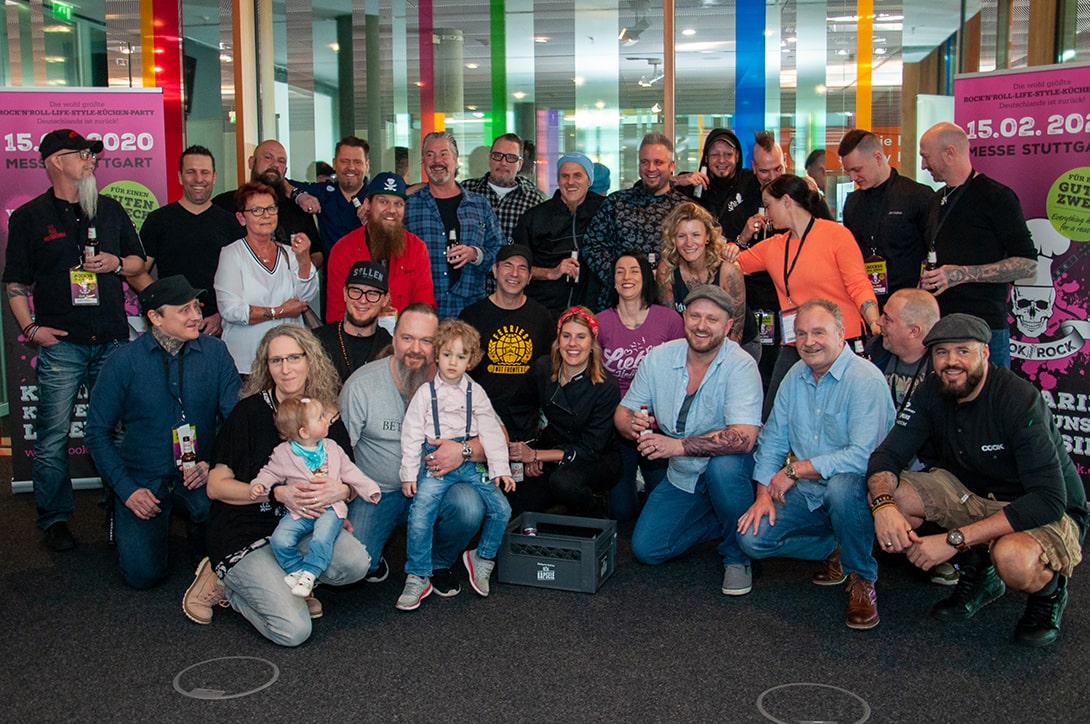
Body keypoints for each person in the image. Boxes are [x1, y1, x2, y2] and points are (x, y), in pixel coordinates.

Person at [866, 313, 1087, 647]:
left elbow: (1048, 499)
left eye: (963, 351)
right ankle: (980, 570)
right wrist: (883, 506)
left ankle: (1049, 593)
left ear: (984, 353)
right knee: (891, 496)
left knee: (1013, 559)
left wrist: (952, 540)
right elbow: (887, 456)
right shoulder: (932, 390)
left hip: (1040, 508)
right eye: (941, 352)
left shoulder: (1018, 398)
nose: (951, 362)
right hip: (974, 495)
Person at [3, 128, 146, 551]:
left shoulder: (111, 209)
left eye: (92, 154)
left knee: (118, 431)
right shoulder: (29, 217)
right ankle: (54, 519)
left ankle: (120, 507)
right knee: (51, 436)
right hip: (62, 343)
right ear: (55, 162)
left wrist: (116, 262)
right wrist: (31, 329)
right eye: (82, 154)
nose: (91, 160)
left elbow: (138, 261)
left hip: (113, 341)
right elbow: (14, 282)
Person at [182, 325, 370, 644]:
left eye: (294, 358)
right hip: (244, 532)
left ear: (310, 360)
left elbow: (349, 482)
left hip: (302, 529)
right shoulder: (248, 413)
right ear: (265, 367)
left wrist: (341, 492)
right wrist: (275, 493)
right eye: (276, 360)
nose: (286, 369)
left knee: (355, 563)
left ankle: (286, 581)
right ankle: (229, 583)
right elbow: (215, 487)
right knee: (294, 631)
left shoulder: (326, 416)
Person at [737, 299, 895, 629]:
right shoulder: (794, 376)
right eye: (802, 334)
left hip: (855, 491)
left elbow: (863, 457)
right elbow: (774, 440)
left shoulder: (865, 379)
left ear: (841, 333)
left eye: (819, 332)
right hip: (809, 492)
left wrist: (796, 469)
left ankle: (862, 577)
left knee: (841, 486)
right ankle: (839, 545)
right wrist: (762, 495)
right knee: (752, 539)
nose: (809, 342)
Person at [85, 276, 240, 589]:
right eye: (184, 310)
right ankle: (121, 511)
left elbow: (236, 421)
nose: (196, 316)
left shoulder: (216, 353)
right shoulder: (123, 362)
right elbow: (96, 433)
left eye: (196, 307)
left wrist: (215, 466)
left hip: (199, 473)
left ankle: (200, 533)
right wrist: (126, 489)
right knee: (143, 576)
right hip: (142, 479)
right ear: (155, 318)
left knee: (226, 557)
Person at [619, 285, 761, 595]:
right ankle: (728, 519)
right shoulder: (659, 357)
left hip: (729, 471)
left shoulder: (741, 365)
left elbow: (744, 437)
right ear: (684, 317)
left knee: (723, 468)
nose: (701, 325)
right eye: (695, 316)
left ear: (728, 325)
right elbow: (623, 411)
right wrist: (633, 425)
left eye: (712, 319)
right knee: (648, 549)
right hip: (683, 475)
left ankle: (737, 556)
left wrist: (675, 446)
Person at [340, 303, 488, 595]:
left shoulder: (457, 381)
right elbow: (338, 453)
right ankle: (375, 555)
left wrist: (463, 451)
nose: (416, 349)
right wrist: (338, 505)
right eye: (407, 338)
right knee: (349, 565)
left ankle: (438, 562)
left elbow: (497, 439)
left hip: (436, 488)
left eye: (426, 340)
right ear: (393, 338)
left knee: (470, 507)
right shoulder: (361, 386)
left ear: (439, 345)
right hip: (377, 493)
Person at [729, 174, 879, 418]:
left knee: (838, 414)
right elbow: (731, 264)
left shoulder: (836, 235)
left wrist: (874, 321)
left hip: (841, 340)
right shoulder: (774, 246)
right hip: (795, 341)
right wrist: (738, 242)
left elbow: (858, 284)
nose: (766, 214)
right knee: (775, 412)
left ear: (786, 201)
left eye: (768, 205)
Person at [397, 320, 515, 609]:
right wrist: (409, 473)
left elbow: (491, 433)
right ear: (437, 355)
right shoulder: (425, 393)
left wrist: (501, 469)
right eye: (447, 354)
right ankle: (418, 574)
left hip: (469, 463)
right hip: (435, 462)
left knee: (502, 509)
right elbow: (411, 435)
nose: (453, 362)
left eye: (461, 356)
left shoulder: (476, 392)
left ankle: (482, 558)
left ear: (470, 361)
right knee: (420, 514)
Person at [917, 122, 1037, 368]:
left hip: (984, 329)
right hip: (941, 327)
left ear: (949, 153)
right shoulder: (935, 200)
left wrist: (960, 274)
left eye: (926, 157)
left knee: (990, 392)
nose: (923, 166)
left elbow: (1028, 265)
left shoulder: (997, 197)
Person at [248, 396, 381, 598]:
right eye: (320, 418)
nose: (327, 420)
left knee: (322, 538)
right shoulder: (283, 453)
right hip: (299, 512)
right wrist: (260, 484)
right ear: (304, 432)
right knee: (280, 540)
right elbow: (270, 472)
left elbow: (351, 472)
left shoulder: (332, 448)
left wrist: (369, 488)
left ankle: (310, 573)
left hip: (330, 509)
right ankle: (295, 570)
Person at [507, 307, 622, 516]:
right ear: (558, 340)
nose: (572, 344)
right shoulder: (543, 368)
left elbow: (590, 448)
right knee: (516, 504)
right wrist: (529, 447)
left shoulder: (607, 387)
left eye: (581, 337)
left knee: (564, 482)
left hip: (597, 457)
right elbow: (521, 407)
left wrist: (536, 455)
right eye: (566, 336)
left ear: (592, 343)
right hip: (552, 446)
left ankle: (597, 516)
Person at [597, 252, 684, 521]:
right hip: (617, 425)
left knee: (661, 508)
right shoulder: (600, 323)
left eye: (634, 270)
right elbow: (594, 378)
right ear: (613, 282)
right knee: (622, 512)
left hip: (659, 425)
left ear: (646, 277)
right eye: (620, 271)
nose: (627, 277)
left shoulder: (669, 320)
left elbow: (682, 374)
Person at [131, 145, 239, 336]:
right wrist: (168, 304)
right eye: (191, 172)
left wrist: (222, 316)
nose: (198, 179)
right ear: (180, 177)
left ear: (214, 177)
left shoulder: (230, 223)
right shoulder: (158, 220)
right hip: (171, 329)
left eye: (205, 172)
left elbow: (243, 278)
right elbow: (135, 272)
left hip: (219, 327)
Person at [215, 181, 319, 373]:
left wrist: (304, 258)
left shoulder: (290, 252)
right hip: (246, 364)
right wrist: (280, 311)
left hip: (288, 361)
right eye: (257, 210)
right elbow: (231, 310)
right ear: (241, 218)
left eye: (271, 209)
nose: (266, 215)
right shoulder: (232, 254)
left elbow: (306, 297)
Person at [404, 131, 505, 318]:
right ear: (423, 161)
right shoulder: (409, 206)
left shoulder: (479, 204)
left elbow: (501, 253)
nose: (437, 161)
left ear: (456, 159)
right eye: (430, 155)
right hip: (423, 311)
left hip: (471, 311)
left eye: (444, 154)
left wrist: (475, 254)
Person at [582, 133, 687, 309]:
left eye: (658, 162)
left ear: (671, 166)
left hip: (669, 305)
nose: (651, 168)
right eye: (645, 162)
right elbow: (591, 245)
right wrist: (620, 275)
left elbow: (696, 255)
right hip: (617, 306)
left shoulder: (685, 210)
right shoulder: (616, 203)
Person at [459, 244, 555, 434]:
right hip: (479, 421)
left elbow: (550, 371)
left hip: (527, 425)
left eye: (522, 268)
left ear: (529, 277)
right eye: (508, 265)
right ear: (495, 270)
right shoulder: (471, 316)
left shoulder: (542, 317)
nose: (514, 273)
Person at [838, 129, 934, 305]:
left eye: (857, 169)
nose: (852, 177)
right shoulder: (852, 203)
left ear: (877, 157)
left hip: (909, 303)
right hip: (867, 302)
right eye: (848, 171)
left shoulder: (918, 196)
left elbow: (933, 251)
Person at [325, 172, 435, 320]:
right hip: (356, 332)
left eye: (398, 204)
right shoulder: (343, 250)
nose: (391, 210)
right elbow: (336, 312)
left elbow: (424, 307)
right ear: (367, 204)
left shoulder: (416, 248)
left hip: (405, 332)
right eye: (383, 202)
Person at [657, 202, 755, 359]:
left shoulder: (728, 270)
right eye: (681, 236)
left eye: (696, 235)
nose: (689, 243)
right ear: (673, 239)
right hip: (695, 344)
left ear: (707, 237)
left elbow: (735, 332)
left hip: (738, 346)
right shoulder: (666, 270)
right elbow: (671, 326)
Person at [515, 151, 605, 316]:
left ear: (589, 180)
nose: (570, 182)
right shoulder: (534, 218)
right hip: (545, 311)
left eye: (577, 175)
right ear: (558, 180)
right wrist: (551, 273)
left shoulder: (604, 212)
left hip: (592, 312)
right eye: (565, 176)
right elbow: (518, 267)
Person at [212, 139, 320, 265]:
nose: (275, 164)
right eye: (268, 157)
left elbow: (317, 253)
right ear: (251, 162)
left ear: (285, 171)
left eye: (281, 161)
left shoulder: (297, 208)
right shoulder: (223, 204)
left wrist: (300, 271)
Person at [286, 135, 370, 262]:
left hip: (370, 273)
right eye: (344, 161)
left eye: (357, 162)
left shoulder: (378, 197)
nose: (351, 167)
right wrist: (299, 196)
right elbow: (282, 183)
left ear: (367, 166)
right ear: (334, 164)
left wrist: (377, 219)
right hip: (332, 273)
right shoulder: (324, 192)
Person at [672, 128, 762, 243]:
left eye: (728, 154)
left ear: (737, 156)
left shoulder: (750, 181)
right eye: (715, 154)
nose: (722, 160)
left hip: (742, 252)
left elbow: (774, 184)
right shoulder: (691, 184)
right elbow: (653, 185)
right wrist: (677, 180)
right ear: (706, 157)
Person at [314, 261, 394, 382]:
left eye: (372, 293)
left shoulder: (391, 347)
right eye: (356, 291)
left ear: (385, 300)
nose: (363, 300)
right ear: (345, 293)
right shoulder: (315, 341)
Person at [462, 133, 547, 243]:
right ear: (490, 159)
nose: (503, 163)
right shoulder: (466, 190)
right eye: (498, 156)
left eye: (511, 158)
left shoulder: (533, 200)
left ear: (520, 164)